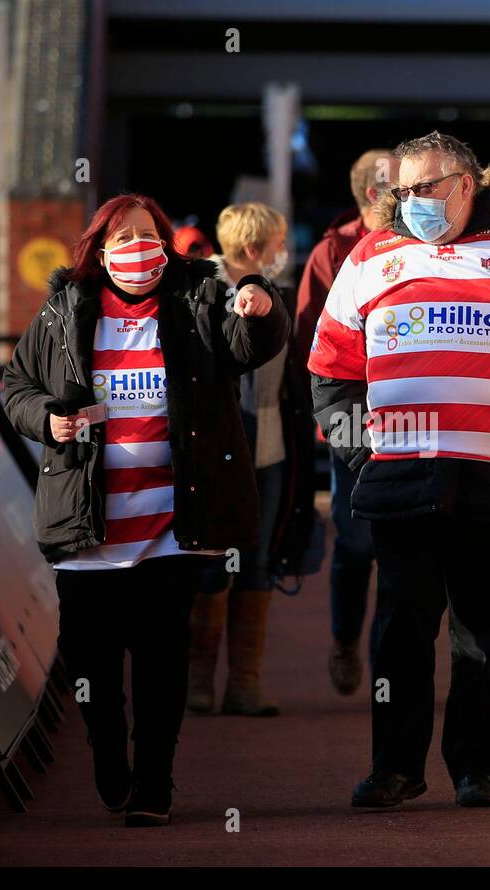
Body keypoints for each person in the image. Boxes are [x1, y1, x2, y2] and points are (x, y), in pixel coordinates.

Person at [308, 131, 490, 809]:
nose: (412, 201)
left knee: (480, 635)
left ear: (467, 184)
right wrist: (362, 452)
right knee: (400, 632)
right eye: (403, 190)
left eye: (427, 187)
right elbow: (329, 368)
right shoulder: (371, 256)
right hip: (401, 479)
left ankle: (476, 768)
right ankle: (395, 768)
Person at [1, 193, 288, 825]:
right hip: (87, 530)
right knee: (92, 665)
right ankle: (110, 756)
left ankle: (155, 781)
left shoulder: (199, 298)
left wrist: (261, 301)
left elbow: (249, 346)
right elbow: (16, 388)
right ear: (99, 250)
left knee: (161, 661)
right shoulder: (63, 310)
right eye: (124, 239)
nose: (139, 250)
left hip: (168, 528)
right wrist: (49, 421)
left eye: (150, 236)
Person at [187, 202, 316, 717]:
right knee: (213, 562)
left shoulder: (274, 294)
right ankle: (199, 683)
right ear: (254, 248)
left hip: (271, 452)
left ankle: (244, 683)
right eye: (280, 242)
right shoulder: (200, 292)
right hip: (219, 455)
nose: (287, 251)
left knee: (258, 562)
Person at [296, 148, 398, 695]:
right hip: (354, 422)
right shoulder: (332, 254)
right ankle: (344, 639)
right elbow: (310, 349)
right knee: (357, 541)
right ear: (372, 193)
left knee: (411, 547)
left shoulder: (429, 246)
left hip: (418, 419)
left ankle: (396, 668)